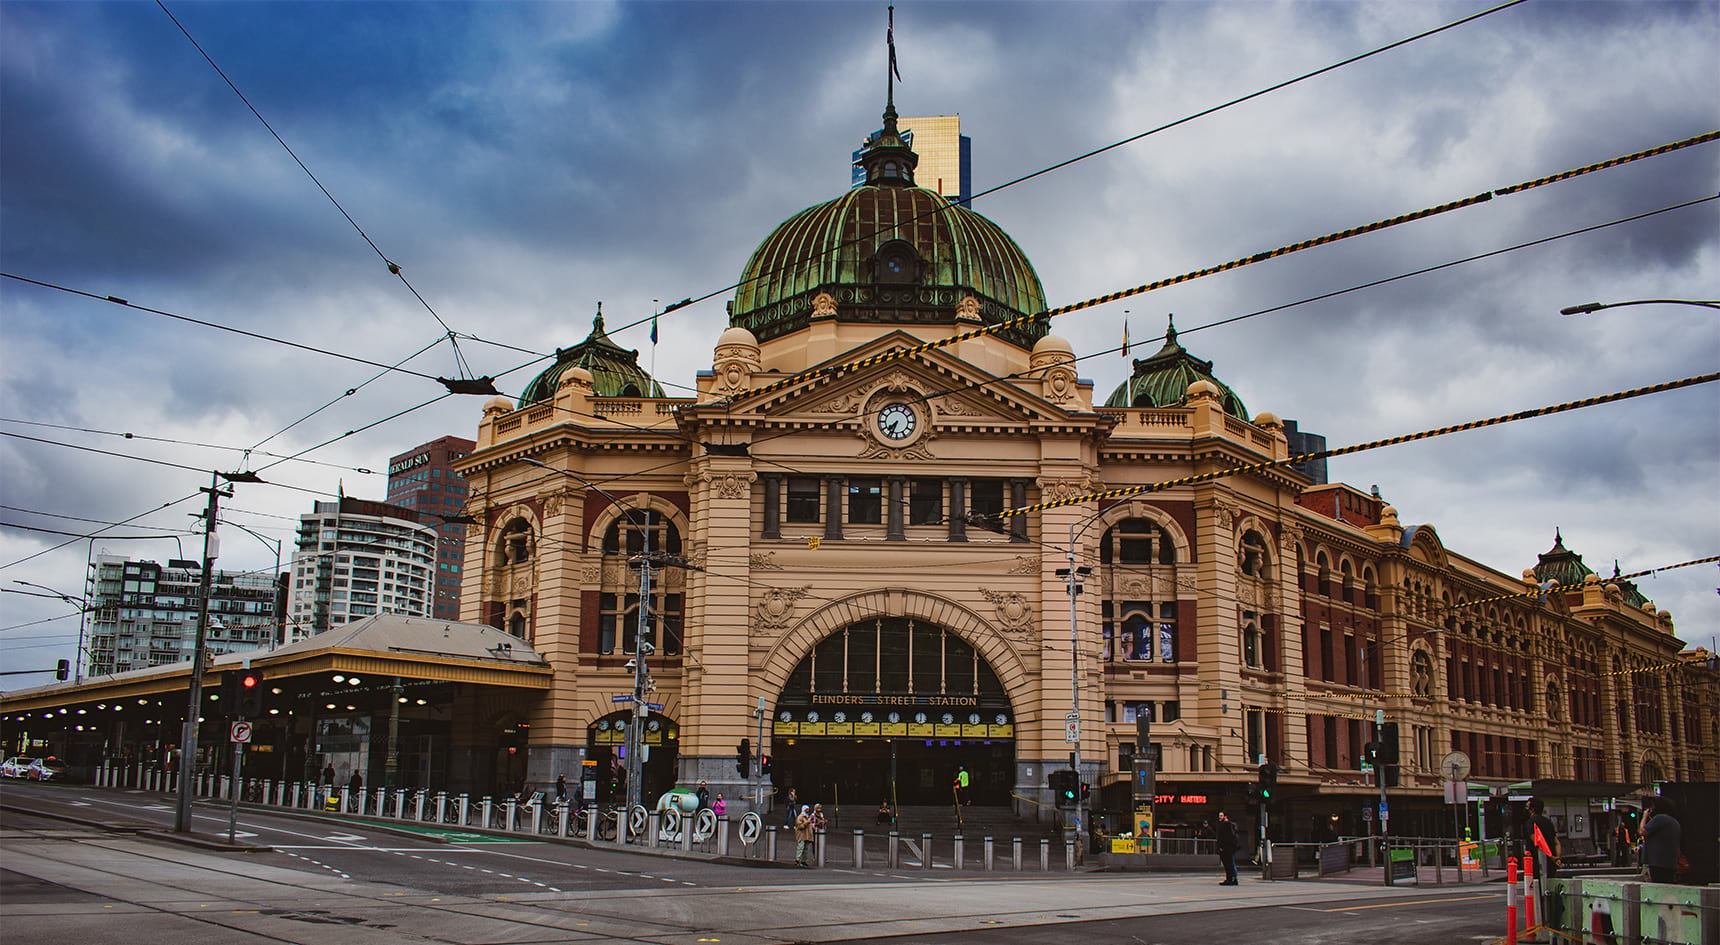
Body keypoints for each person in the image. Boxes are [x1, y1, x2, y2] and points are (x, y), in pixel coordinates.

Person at [1641, 797, 1682, 883]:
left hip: (1657, 862)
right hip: (1670, 862)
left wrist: (1644, 816)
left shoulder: (1660, 818)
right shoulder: (1673, 821)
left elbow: (1642, 831)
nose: (1651, 809)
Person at [1525, 798, 1561, 876]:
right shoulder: (1548, 822)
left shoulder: (1530, 823)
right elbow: (1557, 843)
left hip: (1536, 861)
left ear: (1532, 809)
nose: (1526, 809)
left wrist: (1550, 856)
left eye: (1527, 807)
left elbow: (1538, 842)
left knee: (1537, 885)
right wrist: (1557, 857)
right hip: (1551, 863)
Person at [1214, 811, 1241, 885]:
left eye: (1221, 815)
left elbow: (1226, 837)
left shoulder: (1227, 825)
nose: (1220, 817)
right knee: (1229, 864)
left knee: (1229, 864)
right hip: (1227, 848)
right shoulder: (1225, 825)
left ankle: (1231, 879)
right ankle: (1231, 879)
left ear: (1225, 817)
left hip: (1227, 848)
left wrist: (1222, 846)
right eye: (1219, 815)